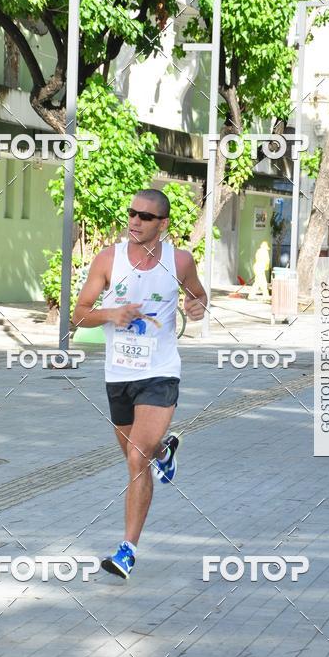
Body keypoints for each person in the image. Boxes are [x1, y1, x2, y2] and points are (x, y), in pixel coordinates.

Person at [72, 188, 207, 580]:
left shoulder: (178, 261)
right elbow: (77, 315)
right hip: (118, 375)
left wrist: (196, 306)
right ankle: (164, 450)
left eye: (145, 217)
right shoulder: (107, 259)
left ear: (162, 224)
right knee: (139, 456)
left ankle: (127, 550)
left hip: (161, 372)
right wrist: (111, 314)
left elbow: (198, 296)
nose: (135, 221)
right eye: (132, 213)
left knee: (135, 459)